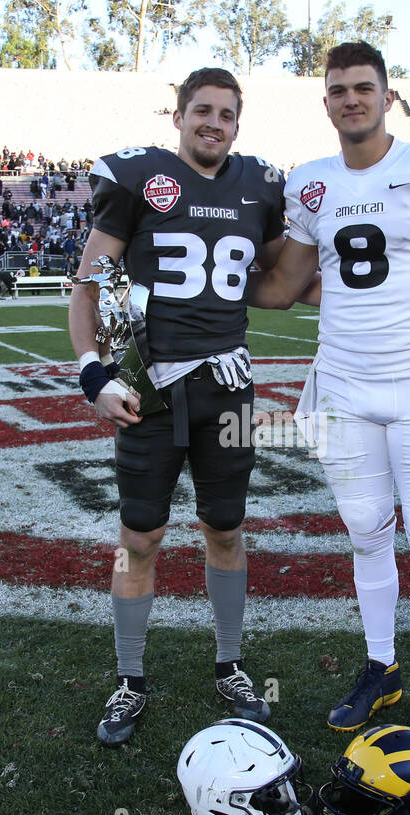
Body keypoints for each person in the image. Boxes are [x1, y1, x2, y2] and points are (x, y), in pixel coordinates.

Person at [251, 41, 410, 762]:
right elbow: (278, 287)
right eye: (339, 89)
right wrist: (203, 278)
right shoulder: (311, 184)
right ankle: (381, 665)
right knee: (365, 529)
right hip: (343, 388)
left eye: (365, 88)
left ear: (388, 97)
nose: (351, 99)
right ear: (325, 101)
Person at [68, 67, 293, 748]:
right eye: (202, 110)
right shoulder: (141, 178)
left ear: (237, 122)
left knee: (225, 529)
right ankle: (130, 677)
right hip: (152, 390)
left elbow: (281, 281)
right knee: (139, 538)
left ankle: (229, 663)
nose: (213, 123)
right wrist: (93, 374)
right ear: (179, 115)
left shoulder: (259, 186)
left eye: (226, 114)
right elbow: (90, 284)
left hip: (227, 387)